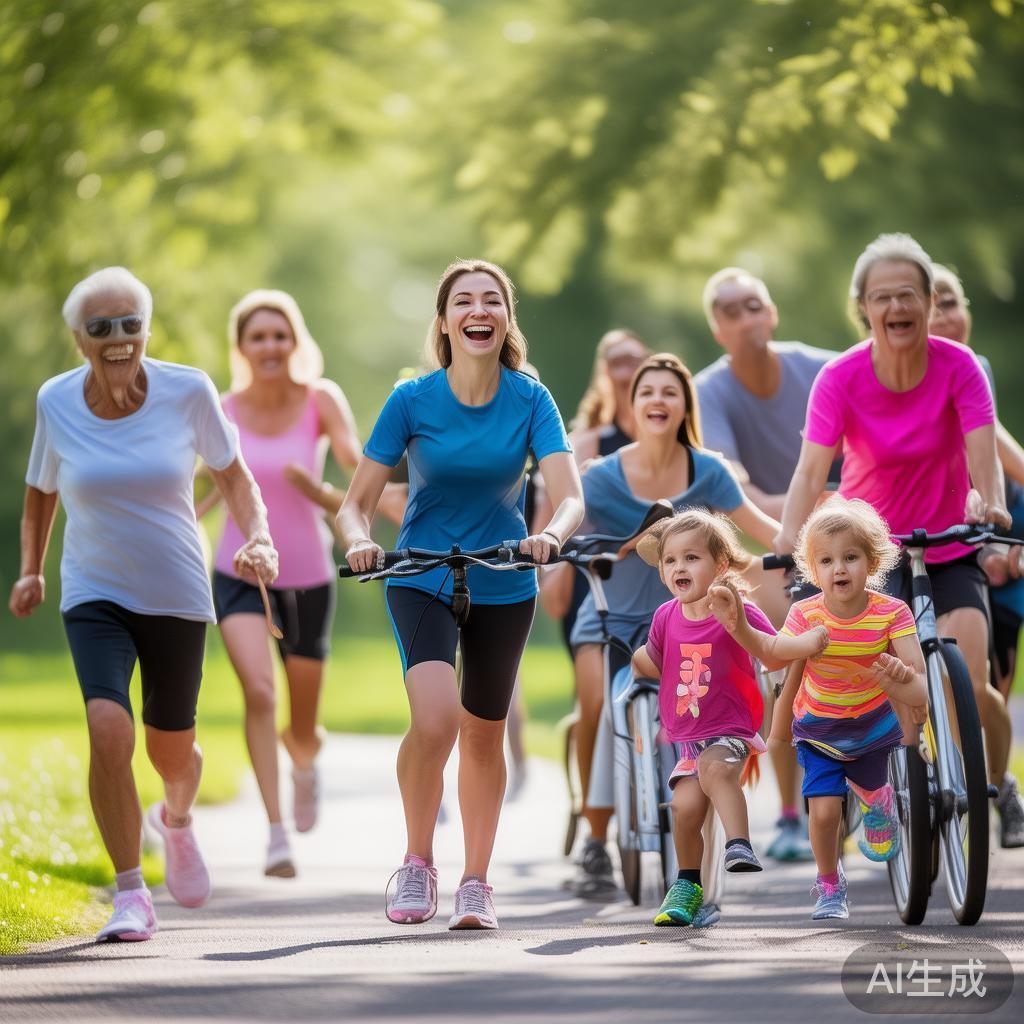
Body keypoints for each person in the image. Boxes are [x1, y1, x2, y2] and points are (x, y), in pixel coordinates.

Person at [9, 267, 278, 942]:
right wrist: (30, 571)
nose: (119, 337)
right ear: (79, 339)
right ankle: (131, 892)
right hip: (93, 591)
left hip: (176, 594)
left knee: (171, 754)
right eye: (101, 327)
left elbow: (234, 476)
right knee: (108, 728)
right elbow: (41, 491)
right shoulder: (56, 401)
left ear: (147, 328)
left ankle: (178, 820)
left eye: (130, 322)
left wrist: (261, 538)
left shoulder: (188, 391)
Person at [338, 258, 584, 930]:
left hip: (504, 578)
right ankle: (418, 862)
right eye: (464, 302)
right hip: (418, 575)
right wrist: (360, 541)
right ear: (445, 322)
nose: (479, 311)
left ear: (506, 320)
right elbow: (354, 506)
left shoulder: (531, 399)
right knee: (438, 721)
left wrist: (552, 537)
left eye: (492, 301)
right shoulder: (412, 401)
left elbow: (569, 500)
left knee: (485, 734)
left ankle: (476, 882)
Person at [777, 232, 1024, 849]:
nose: (896, 307)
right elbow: (811, 472)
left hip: (948, 542)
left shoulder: (960, 366)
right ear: (864, 307)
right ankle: (881, 779)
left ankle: (977, 782)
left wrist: (990, 504)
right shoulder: (840, 377)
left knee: (964, 675)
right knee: (868, 672)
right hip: (871, 555)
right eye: (882, 297)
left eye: (909, 294)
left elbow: (984, 451)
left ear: (926, 300)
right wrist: (788, 541)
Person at [568, 352, 783, 898]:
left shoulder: (707, 469)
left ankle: (690, 827)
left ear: (685, 403)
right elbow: (565, 527)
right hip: (614, 615)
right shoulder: (601, 477)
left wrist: (812, 551)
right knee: (606, 700)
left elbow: (759, 531)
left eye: (670, 391)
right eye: (647, 392)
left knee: (691, 713)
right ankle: (596, 839)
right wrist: (550, 557)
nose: (658, 400)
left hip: (694, 620)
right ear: (632, 406)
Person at [203, 289, 360, 878]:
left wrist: (334, 500)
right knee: (259, 694)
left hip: (310, 576)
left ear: (295, 342)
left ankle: (304, 765)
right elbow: (199, 481)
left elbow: (356, 470)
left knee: (301, 725)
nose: (270, 346)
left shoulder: (321, 399)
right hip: (238, 570)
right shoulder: (222, 407)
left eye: (279, 335)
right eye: (257, 337)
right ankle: (275, 834)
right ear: (241, 347)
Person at [694, 267, 838, 863]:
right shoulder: (710, 391)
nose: (746, 317)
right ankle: (788, 813)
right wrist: (819, 502)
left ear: (772, 312)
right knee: (784, 651)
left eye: (755, 305)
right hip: (767, 541)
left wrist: (829, 504)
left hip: (843, 530)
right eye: (731, 310)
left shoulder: (824, 370)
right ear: (717, 327)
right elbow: (740, 494)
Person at [631, 511, 827, 926]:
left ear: (719, 566)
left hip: (731, 730)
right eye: (670, 560)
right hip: (688, 737)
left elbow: (771, 649)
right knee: (683, 807)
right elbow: (655, 659)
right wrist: (636, 660)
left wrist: (808, 642)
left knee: (715, 769)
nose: (679, 567)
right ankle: (686, 884)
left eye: (691, 558)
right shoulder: (666, 616)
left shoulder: (740, 611)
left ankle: (739, 844)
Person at [766, 497, 928, 920]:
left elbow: (919, 681)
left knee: (872, 790)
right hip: (818, 728)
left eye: (851, 557)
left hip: (873, 729)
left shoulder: (891, 612)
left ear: (872, 562)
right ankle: (830, 885)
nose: (839, 569)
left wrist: (901, 674)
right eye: (826, 560)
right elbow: (777, 653)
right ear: (812, 569)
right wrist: (792, 643)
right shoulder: (804, 613)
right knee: (823, 812)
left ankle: (880, 802)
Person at [928, 264, 1024, 699]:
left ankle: (991, 762)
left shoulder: (975, 368)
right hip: (942, 521)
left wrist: (996, 536)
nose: (944, 317)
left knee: (992, 671)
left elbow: (1003, 451)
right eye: (931, 308)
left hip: (994, 512)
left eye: (950, 303)